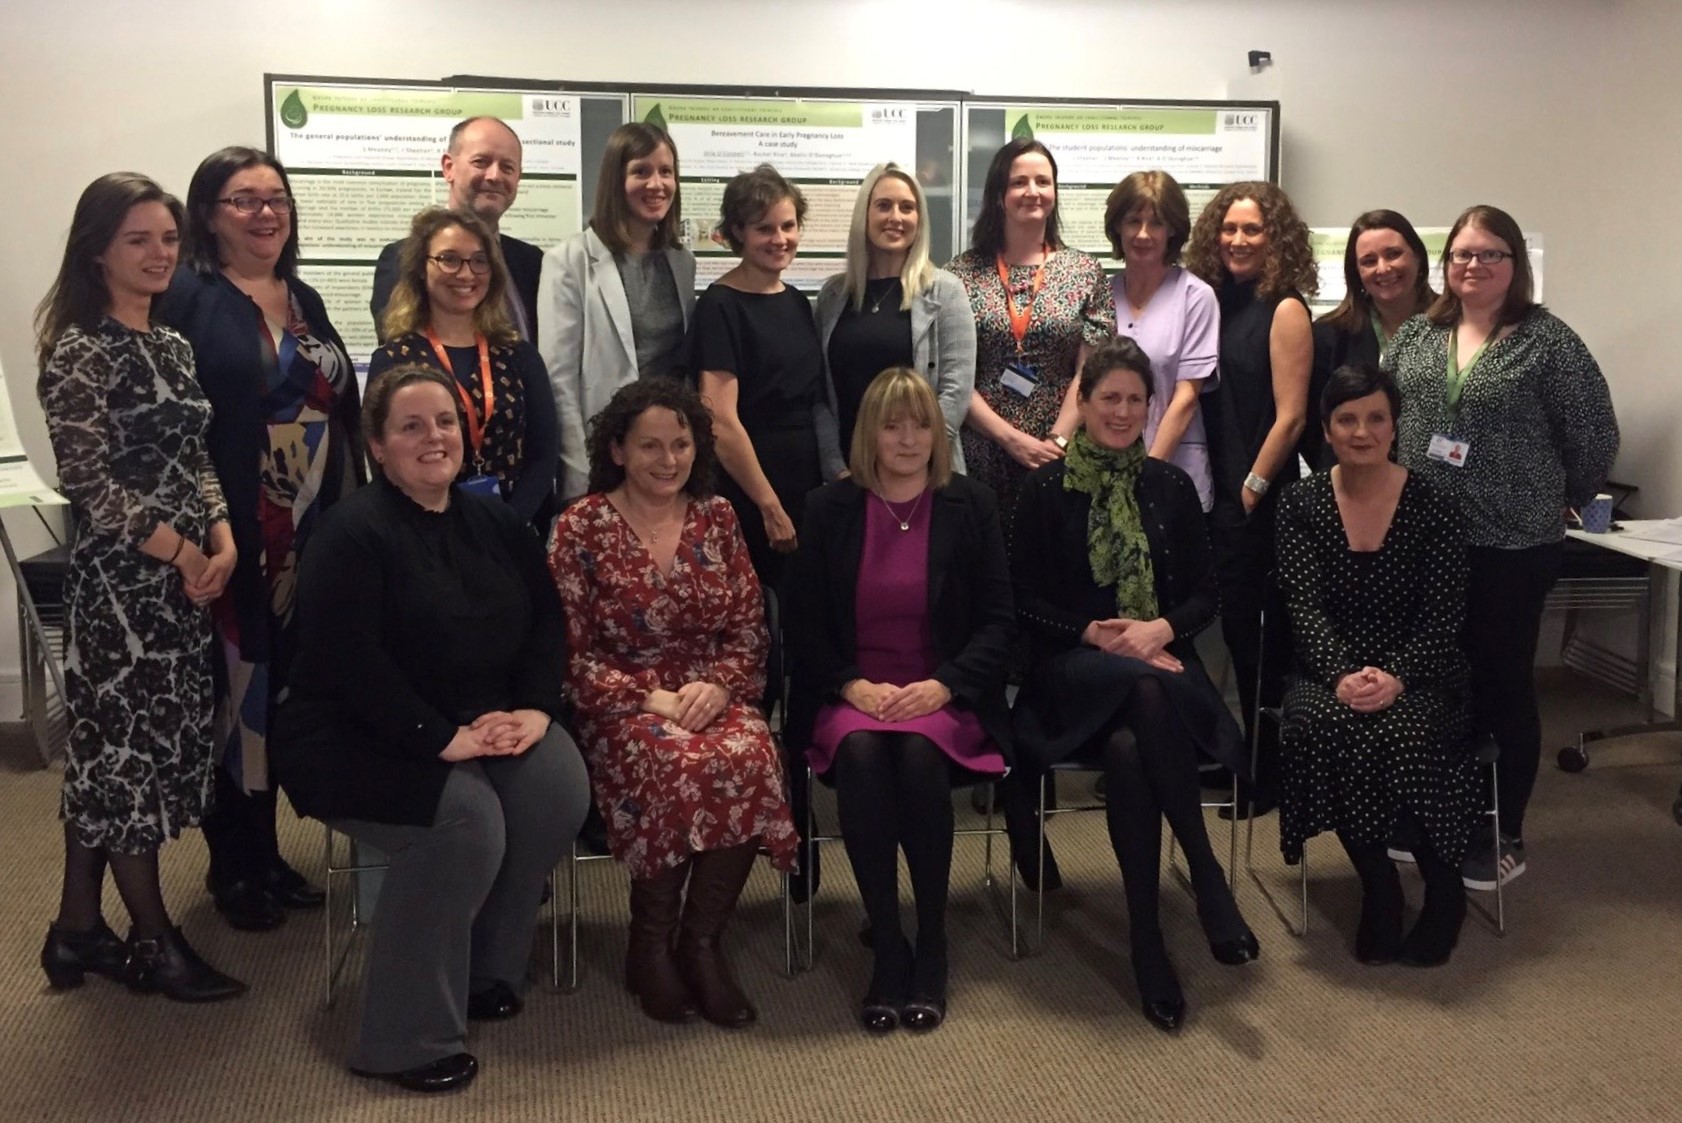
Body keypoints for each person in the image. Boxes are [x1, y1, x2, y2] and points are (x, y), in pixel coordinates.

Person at [270, 364, 589, 1094]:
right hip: (351, 733)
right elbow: (353, 664)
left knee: (555, 790)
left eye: (445, 421)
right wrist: (440, 738)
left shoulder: (495, 520)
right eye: (410, 425)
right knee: (465, 822)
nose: (433, 437)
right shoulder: (352, 535)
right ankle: (403, 1038)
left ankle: (485, 968)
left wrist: (536, 709)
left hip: (475, 721)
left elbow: (546, 621)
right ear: (377, 446)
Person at [1002, 338, 1257, 1033]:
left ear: (1150, 407)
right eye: (1107, 397)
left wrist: (1158, 632)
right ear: (1082, 404)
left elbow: (1206, 596)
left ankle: (1147, 943)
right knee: (1143, 692)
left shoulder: (1169, 486)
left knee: (1129, 747)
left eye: (1133, 399)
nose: (1120, 411)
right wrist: (1093, 633)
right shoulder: (1044, 489)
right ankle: (1205, 874)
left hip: (1158, 673)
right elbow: (1020, 600)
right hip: (1068, 675)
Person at [34, 172, 244, 1002]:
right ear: (97, 252)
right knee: (126, 765)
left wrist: (220, 535)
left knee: (120, 756)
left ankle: (77, 931)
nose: (160, 255)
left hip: (181, 584)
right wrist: (184, 553)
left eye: (167, 239)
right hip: (123, 590)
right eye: (138, 241)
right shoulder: (80, 351)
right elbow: (88, 480)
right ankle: (155, 942)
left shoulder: (170, 344)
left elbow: (194, 455)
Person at [548, 378, 798, 1030]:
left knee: (752, 756)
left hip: (712, 691)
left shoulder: (717, 516)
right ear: (619, 450)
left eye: (680, 444)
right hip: (620, 702)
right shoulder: (580, 526)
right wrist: (648, 697)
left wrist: (719, 685)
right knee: (673, 764)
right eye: (650, 445)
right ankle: (650, 943)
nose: (668, 459)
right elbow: (566, 654)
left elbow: (749, 629)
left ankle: (701, 940)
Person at [159, 146, 364, 933]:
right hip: (237, 532)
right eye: (243, 200)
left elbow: (339, 403)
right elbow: (176, 428)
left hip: (312, 533)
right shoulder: (189, 297)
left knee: (282, 695)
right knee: (233, 693)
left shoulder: (301, 293)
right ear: (208, 215)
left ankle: (270, 852)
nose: (265, 212)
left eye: (276, 197)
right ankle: (232, 863)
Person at [1388, 204, 1619, 889]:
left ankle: (1500, 828)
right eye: (1461, 253)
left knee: (1501, 684)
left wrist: (1569, 493)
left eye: (1490, 254)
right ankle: (1434, 808)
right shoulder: (1416, 339)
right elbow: (1386, 417)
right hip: (1424, 540)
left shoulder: (1548, 342)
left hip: (1513, 545)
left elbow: (1595, 432)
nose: (1473, 265)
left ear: (1514, 265)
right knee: (1432, 681)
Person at [786, 368, 1013, 1035]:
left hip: (940, 690)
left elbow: (999, 619)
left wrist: (945, 683)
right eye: (893, 424)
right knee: (859, 756)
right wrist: (850, 683)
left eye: (921, 423)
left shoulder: (971, 503)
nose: (909, 437)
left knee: (916, 755)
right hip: (851, 690)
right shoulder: (828, 508)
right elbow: (801, 625)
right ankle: (889, 943)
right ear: (869, 434)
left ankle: (933, 939)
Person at [1277, 364, 1477, 967]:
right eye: (1347, 419)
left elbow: (1444, 619)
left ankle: (1446, 889)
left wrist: (1394, 677)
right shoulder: (1301, 502)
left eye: (1376, 418)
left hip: (1422, 668)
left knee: (1407, 733)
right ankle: (1379, 887)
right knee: (1317, 727)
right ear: (1327, 429)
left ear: (1395, 427)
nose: (1361, 431)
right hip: (1327, 668)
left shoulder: (1436, 503)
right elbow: (1302, 605)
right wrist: (1342, 674)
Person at [1183, 180, 1317, 815]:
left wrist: (1252, 488)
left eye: (1253, 230)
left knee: (1255, 643)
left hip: (1256, 500)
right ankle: (1234, 757)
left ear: (1277, 240)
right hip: (1214, 493)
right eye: (1228, 229)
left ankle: (1270, 778)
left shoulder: (1284, 308)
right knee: (1219, 634)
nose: (1237, 240)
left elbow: (1290, 418)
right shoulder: (1212, 301)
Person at [947, 138, 1115, 539]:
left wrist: (1056, 440)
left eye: (1043, 181)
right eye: (1019, 182)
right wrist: (1010, 440)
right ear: (999, 194)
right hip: (982, 450)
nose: (1032, 191)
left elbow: (1092, 370)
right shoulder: (959, 274)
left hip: (1064, 451)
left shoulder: (1084, 271)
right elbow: (952, 375)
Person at [688, 163, 836, 589]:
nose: (780, 239)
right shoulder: (720, 306)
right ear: (738, 233)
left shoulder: (796, 302)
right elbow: (720, 419)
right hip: (751, 488)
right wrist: (769, 506)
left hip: (803, 481)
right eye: (764, 228)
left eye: (788, 226)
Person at [540, 122, 697, 501]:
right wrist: (579, 473)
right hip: (607, 453)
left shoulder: (681, 262)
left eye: (666, 171)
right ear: (615, 179)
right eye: (640, 171)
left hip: (667, 456)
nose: (656, 184)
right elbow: (558, 381)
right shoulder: (569, 261)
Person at [370, 207, 557, 524]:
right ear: (420, 268)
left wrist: (506, 524)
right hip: (422, 532)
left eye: (479, 260)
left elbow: (543, 455)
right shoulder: (394, 359)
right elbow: (383, 459)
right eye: (449, 259)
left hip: (510, 532)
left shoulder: (519, 355)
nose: (467, 273)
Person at [814, 164, 976, 473]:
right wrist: (835, 468)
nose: (896, 217)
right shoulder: (833, 296)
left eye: (907, 207)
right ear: (865, 215)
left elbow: (955, 391)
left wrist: (912, 464)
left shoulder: (946, 292)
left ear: (920, 219)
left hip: (923, 474)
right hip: (850, 476)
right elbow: (820, 395)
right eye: (884, 206)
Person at [1104, 170, 1220, 512]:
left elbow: (1186, 398)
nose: (1142, 234)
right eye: (1133, 221)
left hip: (1172, 472)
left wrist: (1146, 474)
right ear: (1117, 227)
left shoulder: (1196, 296)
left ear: (1172, 229)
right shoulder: (1101, 292)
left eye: (1155, 223)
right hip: (1107, 474)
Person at [372, 116, 542, 341]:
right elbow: (398, 347)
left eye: (507, 167)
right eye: (481, 162)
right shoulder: (403, 258)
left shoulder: (532, 262)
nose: (494, 176)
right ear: (448, 168)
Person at [1308, 211, 1436, 469]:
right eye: (1368, 260)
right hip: (1357, 487)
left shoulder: (1456, 326)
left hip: (1438, 486)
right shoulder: (1329, 335)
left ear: (1419, 257)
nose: (1383, 268)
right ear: (1356, 273)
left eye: (1393, 254)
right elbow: (1313, 426)